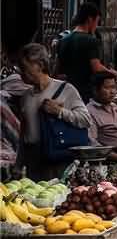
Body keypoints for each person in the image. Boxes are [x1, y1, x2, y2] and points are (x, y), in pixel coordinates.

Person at [18, 43, 91, 180]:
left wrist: (59, 111)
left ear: (39, 65)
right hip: (33, 162)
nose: (21, 73)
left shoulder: (66, 89)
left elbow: (85, 120)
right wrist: (18, 164)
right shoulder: (25, 96)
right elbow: (23, 134)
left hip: (57, 160)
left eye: (24, 67)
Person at [57, 3, 117, 102]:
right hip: (85, 93)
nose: (96, 26)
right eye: (97, 21)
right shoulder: (91, 41)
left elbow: (58, 71)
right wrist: (111, 72)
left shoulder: (63, 40)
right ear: (90, 19)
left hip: (67, 92)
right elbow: (96, 68)